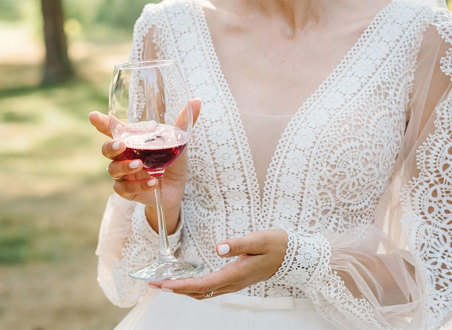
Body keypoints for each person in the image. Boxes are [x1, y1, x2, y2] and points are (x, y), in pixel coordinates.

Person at [88, 0, 452, 328]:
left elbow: (440, 271)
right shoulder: (166, 26)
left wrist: (302, 261)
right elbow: (124, 273)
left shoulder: (423, 35)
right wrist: (161, 213)